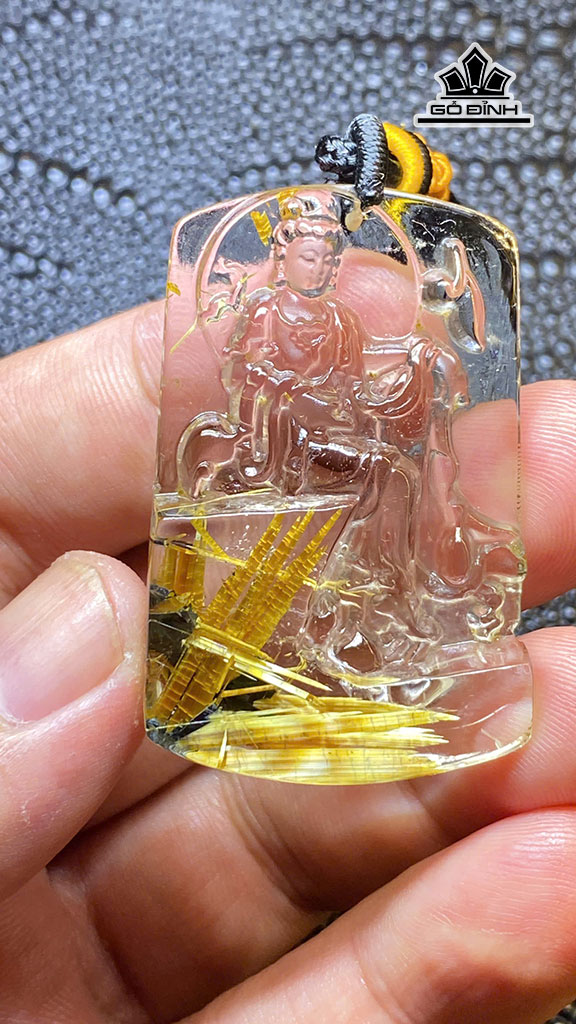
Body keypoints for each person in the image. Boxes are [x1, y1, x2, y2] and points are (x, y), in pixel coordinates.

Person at [0, 294, 574, 1023]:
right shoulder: (267, 313)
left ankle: (390, 594)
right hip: (278, 439)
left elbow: (352, 370)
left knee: (392, 469)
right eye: (305, 251)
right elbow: (249, 376)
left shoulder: (338, 319)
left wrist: (399, 369)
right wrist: (290, 391)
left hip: (322, 431)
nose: (316, 263)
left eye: (322, 255)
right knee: (377, 473)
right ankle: (367, 596)